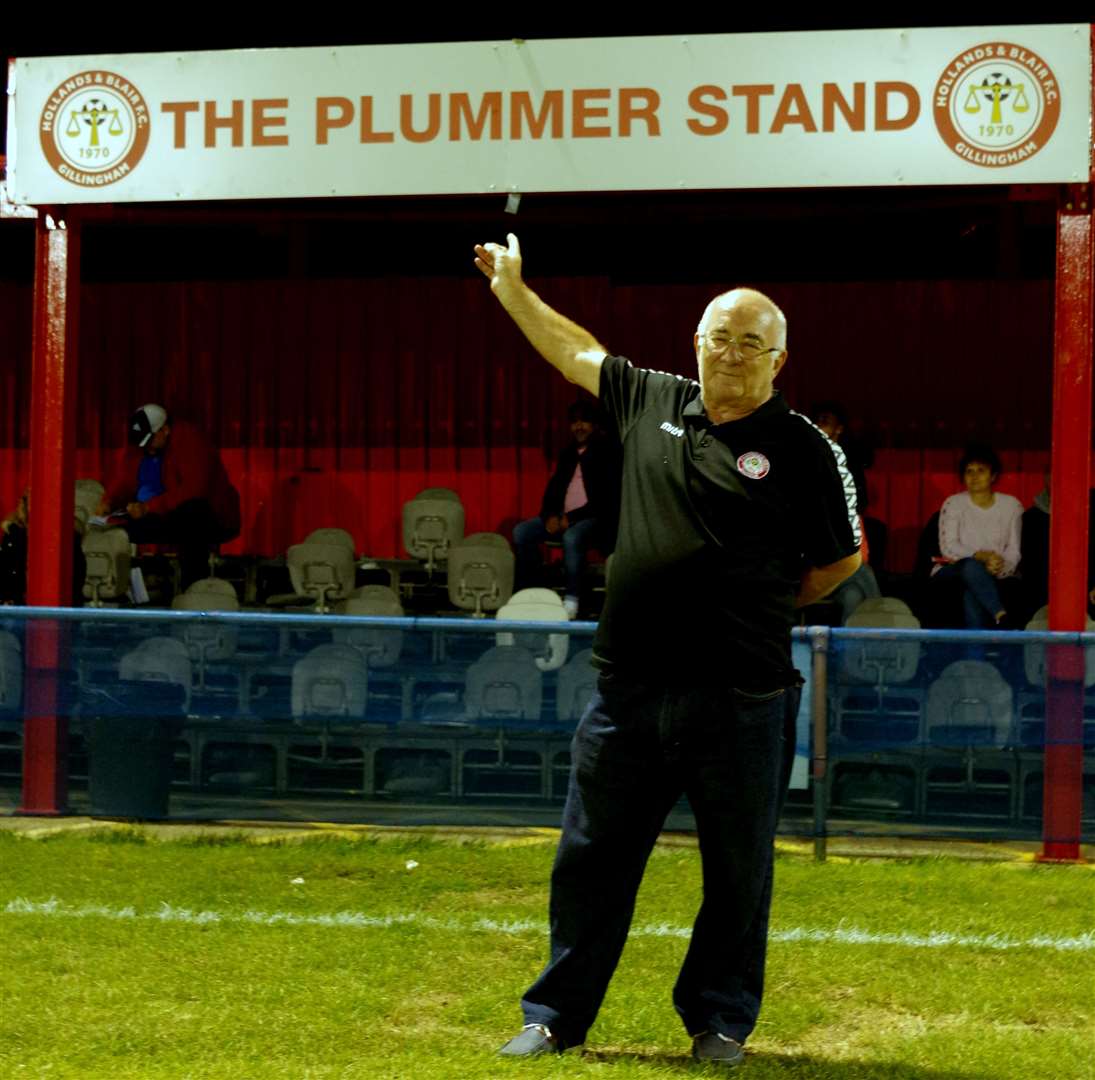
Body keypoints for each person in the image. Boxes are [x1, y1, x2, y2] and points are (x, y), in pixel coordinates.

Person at [474, 233, 860, 1065]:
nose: (731, 352)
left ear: (778, 358)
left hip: (743, 699)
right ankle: (555, 1016)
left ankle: (718, 1022)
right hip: (629, 694)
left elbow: (840, 560)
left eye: (750, 342)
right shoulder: (647, 399)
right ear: (696, 343)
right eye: (719, 337)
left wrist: (756, 606)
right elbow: (573, 347)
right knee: (590, 861)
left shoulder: (803, 450)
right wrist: (511, 286)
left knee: (736, 874)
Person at [99, 404, 241, 590]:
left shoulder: (190, 441)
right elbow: (125, 480)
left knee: (193, 515)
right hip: (158, 512)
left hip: (206, 515)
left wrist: (149, 507)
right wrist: (109, 502)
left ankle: (194, 588)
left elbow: (193, 489)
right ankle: (119, 588)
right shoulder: (140, 446)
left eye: (150, 440)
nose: (146, 447)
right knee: (114, 531)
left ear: (165, 430)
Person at [512, 399, 620, 618]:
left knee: (572, 537)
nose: (578, 427)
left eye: (584, 422)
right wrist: (549, 515)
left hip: (595, 520)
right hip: (563, 517)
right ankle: (535, 589)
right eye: (574, 422)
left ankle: (572, 599)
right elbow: (553, 490)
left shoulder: (608, 452)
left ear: (595, 425)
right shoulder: (568, 454)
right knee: (521, 532)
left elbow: (605, 501)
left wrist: (569, 519)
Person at [930, 443, 1022, 629]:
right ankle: (1002, 616)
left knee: (972, 592)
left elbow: (1014, 549)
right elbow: (949, 547)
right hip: (954, 567)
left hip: (994, 568)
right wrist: (980, 556)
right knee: (972, 567)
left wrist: (1000, 566)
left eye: (981, 470)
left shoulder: (1011, 505)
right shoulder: (954, 503)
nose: (974, 476)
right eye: (969, 471)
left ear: (993, 475)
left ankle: (975, 652)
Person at [0, 489, 86, 606]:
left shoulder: (66, 534)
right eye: (33, 501)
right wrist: (6, 596)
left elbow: (77, 570)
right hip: (17, 602)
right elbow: (6, 566)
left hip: (59, 603)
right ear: (24, 504)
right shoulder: (13, 531)